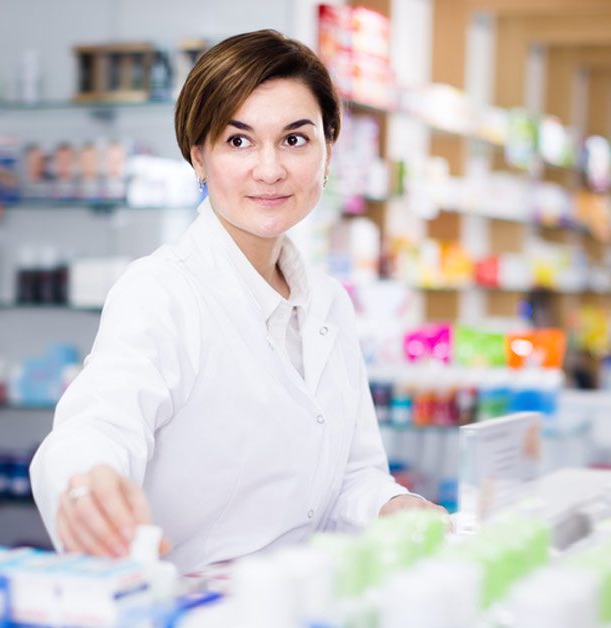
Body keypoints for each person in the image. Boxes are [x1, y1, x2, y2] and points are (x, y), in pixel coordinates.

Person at [30, 29, 444, 574]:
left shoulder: (328, 302)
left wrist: (392, 505)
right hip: (185, 599)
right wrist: (87, 483)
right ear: (198, 157)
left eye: (294, 139)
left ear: (327, 151)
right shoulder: (162, 290)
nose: (269, 170)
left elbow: (352, 474)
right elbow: (97, 427)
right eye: (238, 141)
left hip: (297, 598)